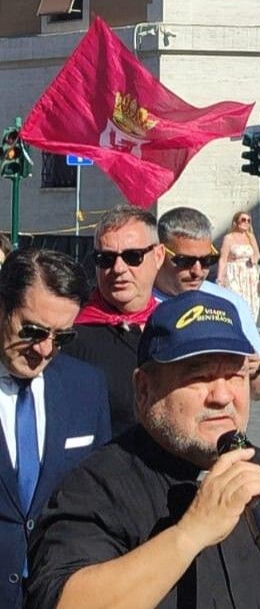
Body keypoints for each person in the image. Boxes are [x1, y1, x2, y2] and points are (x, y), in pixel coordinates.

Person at [27, 290, 260, 609]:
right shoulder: (96, 487)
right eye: (199, 377)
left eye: (234, 375)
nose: (222, 396)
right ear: (144, 389)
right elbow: (64, 601)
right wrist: (191, 533)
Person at [0, 249, 111, 609]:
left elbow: (97, 497)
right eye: (32, 331)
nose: (45, 349)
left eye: (61, 337)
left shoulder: (87, 386)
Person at [62, 205, 164, 436]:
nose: (118, 268)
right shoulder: (69, 333)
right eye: (106, 259)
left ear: (158, 256)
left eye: (133, 256)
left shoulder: (175, 326)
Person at [151, 207, 260, 402]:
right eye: (184, 261)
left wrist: (255, 369)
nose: (197, 271)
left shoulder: (230, 303)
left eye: (207, 260)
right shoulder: (139, 302)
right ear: (159, 254)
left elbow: (259, 391)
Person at [217, 212, 260, 319]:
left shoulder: (250, 237)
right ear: (236, 222)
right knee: (236, 299)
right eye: (243, 220)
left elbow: (257, 254)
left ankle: (249, 324)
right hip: (233, 274)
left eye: (248, 221)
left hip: (249, 274)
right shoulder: (228, 238)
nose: (246, 222)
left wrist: (254, 258)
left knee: (251, 302)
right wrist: (219, 279)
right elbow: (223, 259)